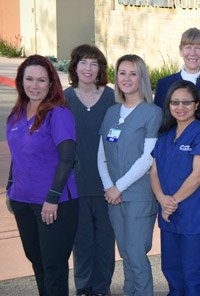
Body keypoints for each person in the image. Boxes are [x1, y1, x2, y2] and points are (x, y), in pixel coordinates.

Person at [6, 54, 78, 295]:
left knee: (53, 266)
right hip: (22, 201)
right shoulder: (17, 112)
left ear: (51, 84)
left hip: (53, 204)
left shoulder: (58, 113)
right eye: (29, 79)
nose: (34, 86)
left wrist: (53, 198)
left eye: (41, 80)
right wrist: (10, 189)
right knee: (37, 262)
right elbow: (17, 155)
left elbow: (67, 158)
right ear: (21, 81)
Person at [97, 54, 162, 296]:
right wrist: (108, 187)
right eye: (122, 73)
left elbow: (148, 157)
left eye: (133, 73)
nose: (126, 78)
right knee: (125, 253)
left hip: (137, 195)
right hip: (113, 196)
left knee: (136, 254)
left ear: (142, 78)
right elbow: (101, 153)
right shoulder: (112, 112)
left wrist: (119, 187)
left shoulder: (152, 113)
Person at [150, 80, 200, 295]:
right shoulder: (165, 136)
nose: (180, 107)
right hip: (170, 218)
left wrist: (172, 202)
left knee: (194, 277)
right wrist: (162, 198)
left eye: (186, 102)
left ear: (197, 105)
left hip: (195, 218)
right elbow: (154, 172)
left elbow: (198, 175)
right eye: (175, 102)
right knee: (172, 272)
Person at [65, 44, 116, 296]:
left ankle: (102, 288)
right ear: (74, 66)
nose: (88, 68)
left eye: (93, 63)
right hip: (75, 183)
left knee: (105, 241)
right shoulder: (64, 98)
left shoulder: (112, 97)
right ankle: (84, 288)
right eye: (83, 62)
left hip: (107, 184)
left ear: (100, 69)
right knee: (81, 241)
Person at [154, 27, 200, 128]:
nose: (193, 53)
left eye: (198, 48)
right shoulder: (164, 85)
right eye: (188, 47)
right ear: (181, 51)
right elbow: (158, 122)